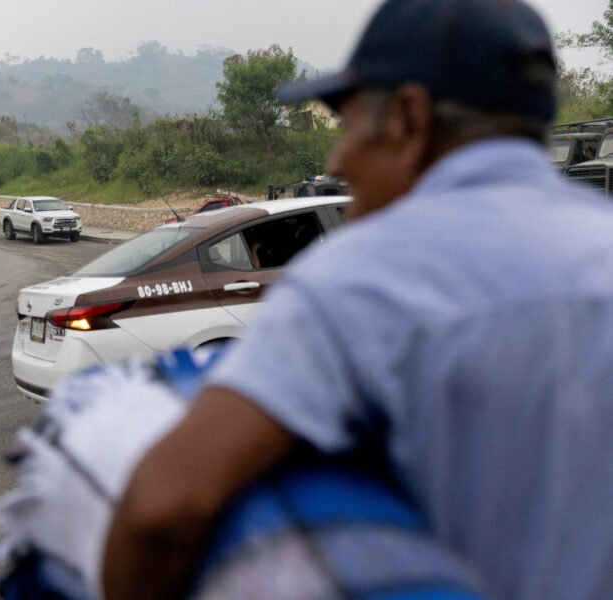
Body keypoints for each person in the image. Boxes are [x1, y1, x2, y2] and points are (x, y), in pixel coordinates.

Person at [102, 2, 613, 600]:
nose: (336, 162)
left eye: (347, 125)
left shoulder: (361, 278)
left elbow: (163, 508)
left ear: (409, 119)